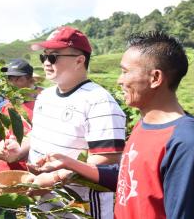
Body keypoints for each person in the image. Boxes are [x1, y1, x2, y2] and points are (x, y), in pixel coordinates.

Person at [31, 31, 194, 219]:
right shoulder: (144, 125)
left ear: (155, 78)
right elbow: (127, 177)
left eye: (125, 72)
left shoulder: (186, 143)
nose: (119, 80)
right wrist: (70, 165)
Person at [24, 26, 127, 219]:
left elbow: (107, 161)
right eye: (44, 57)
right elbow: (36, 136)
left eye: (53, 57)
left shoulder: (99, 102)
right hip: (40, 204)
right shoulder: (44, 96)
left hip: (79, 209)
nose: (46, 63)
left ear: (79, 60)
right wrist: (18, 150)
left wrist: (55, 178)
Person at [0, 58, 43, 172]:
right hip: (4, 168)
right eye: (10, 79)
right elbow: (4, 131)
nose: (13, 84)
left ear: (30, 79)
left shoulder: (43, 104)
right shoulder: (6, 103)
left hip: (29, 170)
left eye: (18, 79)